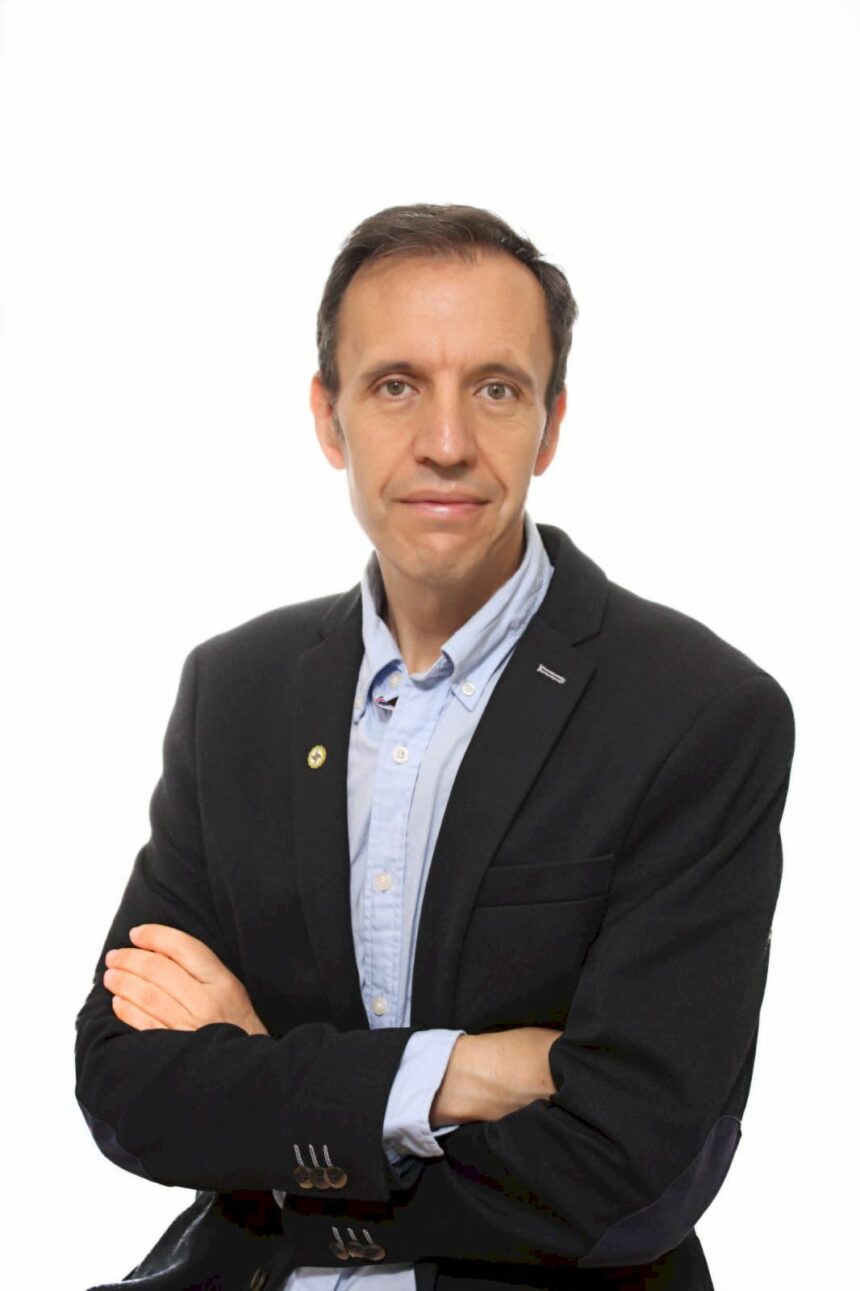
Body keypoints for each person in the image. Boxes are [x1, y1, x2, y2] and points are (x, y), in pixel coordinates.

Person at [75, 203, 795, 1291]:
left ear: (550, 424)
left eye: (495, 389)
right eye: (396, 385)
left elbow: (634, 1161)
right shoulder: (236, 691)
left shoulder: (696, 713)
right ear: (329, 419)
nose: (447, 443)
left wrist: (273, 1094)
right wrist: (461, 1070)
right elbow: (126, 1081)